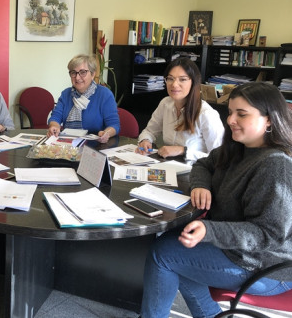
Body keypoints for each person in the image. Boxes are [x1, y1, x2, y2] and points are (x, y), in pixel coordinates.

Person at [140, 82, 292, 318]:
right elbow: (203, 164)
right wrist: (201, 185)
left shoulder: (275, 165)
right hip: (237, 251)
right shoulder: (239, 147)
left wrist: (209, 230)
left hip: (264, 266)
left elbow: (267, 235)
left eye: (241, 114)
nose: (230, 120)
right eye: (230, 112)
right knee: (172, 246)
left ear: (269, 120)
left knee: (164, 254)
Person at [136, 57, 224, 163]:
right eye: (170, 78)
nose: (174, 84)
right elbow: (149, 131)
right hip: (168, 167)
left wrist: (184, 151)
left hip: (196, 172)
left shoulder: (207, 114)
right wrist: (145, 140)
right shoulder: (165, 104)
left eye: (182, 79)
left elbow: (219, 157)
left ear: (193, 82)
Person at [47, 54, 119, 143]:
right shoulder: (66, 94)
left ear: (92, 74)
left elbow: (114, 125)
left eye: (82, 72)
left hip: (96, 146)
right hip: (69, 145)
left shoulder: (105, 94)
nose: (77, 77)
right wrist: (54, 126)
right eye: (73, 72)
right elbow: (55, 117)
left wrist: (106, 133)